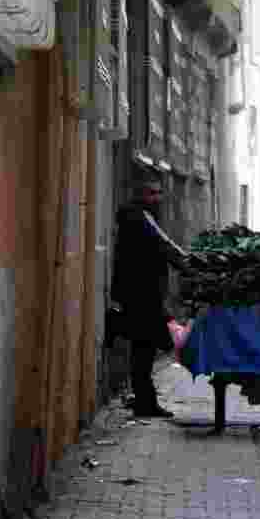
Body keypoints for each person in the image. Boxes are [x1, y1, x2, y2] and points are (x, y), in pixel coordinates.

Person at [110, 177, 189, 417]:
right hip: (142, 294)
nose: (157, 198)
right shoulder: (139, 216)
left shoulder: (135, 216)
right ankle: (146, 402)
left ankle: (144, 399)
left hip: (137, 293)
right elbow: (164, 245)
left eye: (159, 193)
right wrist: (189, 265)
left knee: (142, 348)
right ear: (140, 194)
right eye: (151, 193)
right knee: (144, 348)